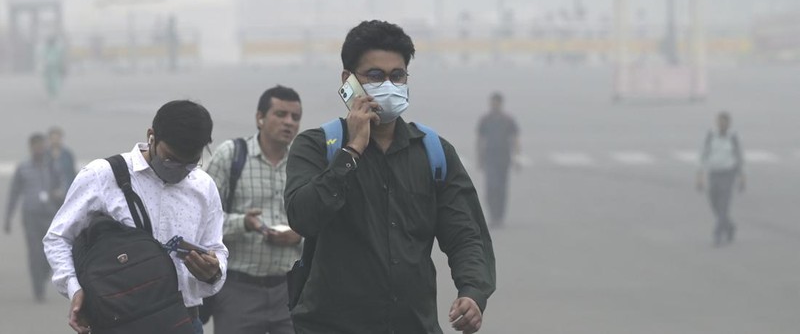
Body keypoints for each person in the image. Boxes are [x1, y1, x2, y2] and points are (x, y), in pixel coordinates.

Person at [285, 20, 496, 334]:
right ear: (348, 81)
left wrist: (473, 292)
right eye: (375, 76)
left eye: (397, 76)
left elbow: (465, 233)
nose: (388, 84)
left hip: (413, 325)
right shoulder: (317, 146)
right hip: (330, 325)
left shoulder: (434, 153)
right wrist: (352, 150)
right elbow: (303, 216)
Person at [43, 100, 228, 334]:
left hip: (184, 321)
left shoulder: (204, 187)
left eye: (190, 164)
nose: (179, 170)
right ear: (151, 135)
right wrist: (74, 288)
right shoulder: (103, 175)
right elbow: (58, 237)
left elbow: (216, 248)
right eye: (170, 159)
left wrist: (214, 272)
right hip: (119, 322)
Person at [205, 85, 303, 334]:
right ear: (260, 118)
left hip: (290, 290)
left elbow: (320, 222)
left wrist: (299, 235)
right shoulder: (232, 155)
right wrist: (244, 223)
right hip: (238, 290)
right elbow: (203, 221)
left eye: (295, 117)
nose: (289, 123)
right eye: (280, 114)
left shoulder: (302, 163)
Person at [4, 133, 63, 302]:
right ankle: (38, 288)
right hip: (30, 215)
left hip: (50, 214)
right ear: (31, 148)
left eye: (41, 145)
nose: (39, 148)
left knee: (48, 252)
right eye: (35, 146)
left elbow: (63, 186)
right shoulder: (23, 168)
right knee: (34, 253)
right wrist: (8, 218)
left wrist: (59, 193)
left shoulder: (53, 166)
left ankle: (44, 275)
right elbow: (14, 193)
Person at [696, 111, 745, 246]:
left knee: (724, 205)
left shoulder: (733, 137)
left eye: (725, 122)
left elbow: (739, 157)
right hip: (714, 173)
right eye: (720, 121)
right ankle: (729, 226)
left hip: (728, 174)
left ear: (729, 124)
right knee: (714, 202)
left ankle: (717, 233)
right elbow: (703, 155)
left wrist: (742, 176)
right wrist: (700, 175)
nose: (722, 124)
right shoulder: (711, 135)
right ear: (717, 122)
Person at [476, 92, 520, 228]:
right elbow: (480, 139)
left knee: (502, 188)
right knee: (491, 187)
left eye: (496, 102)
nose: (494, 105)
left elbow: (514, 139)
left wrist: (517, 157)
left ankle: (499, 217)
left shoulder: (508, 120)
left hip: (504, 158)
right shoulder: (485, 120)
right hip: (490, 157)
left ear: (501, 104)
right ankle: (493, 215)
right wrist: (480, 157)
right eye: (492, 102)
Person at [48, 126, 78, 192]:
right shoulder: (45, 155)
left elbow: (71, 173)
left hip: (66, 190)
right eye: (53, 139)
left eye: (57, 138)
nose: (55, 141)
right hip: (49, 193)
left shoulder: (67, 155)